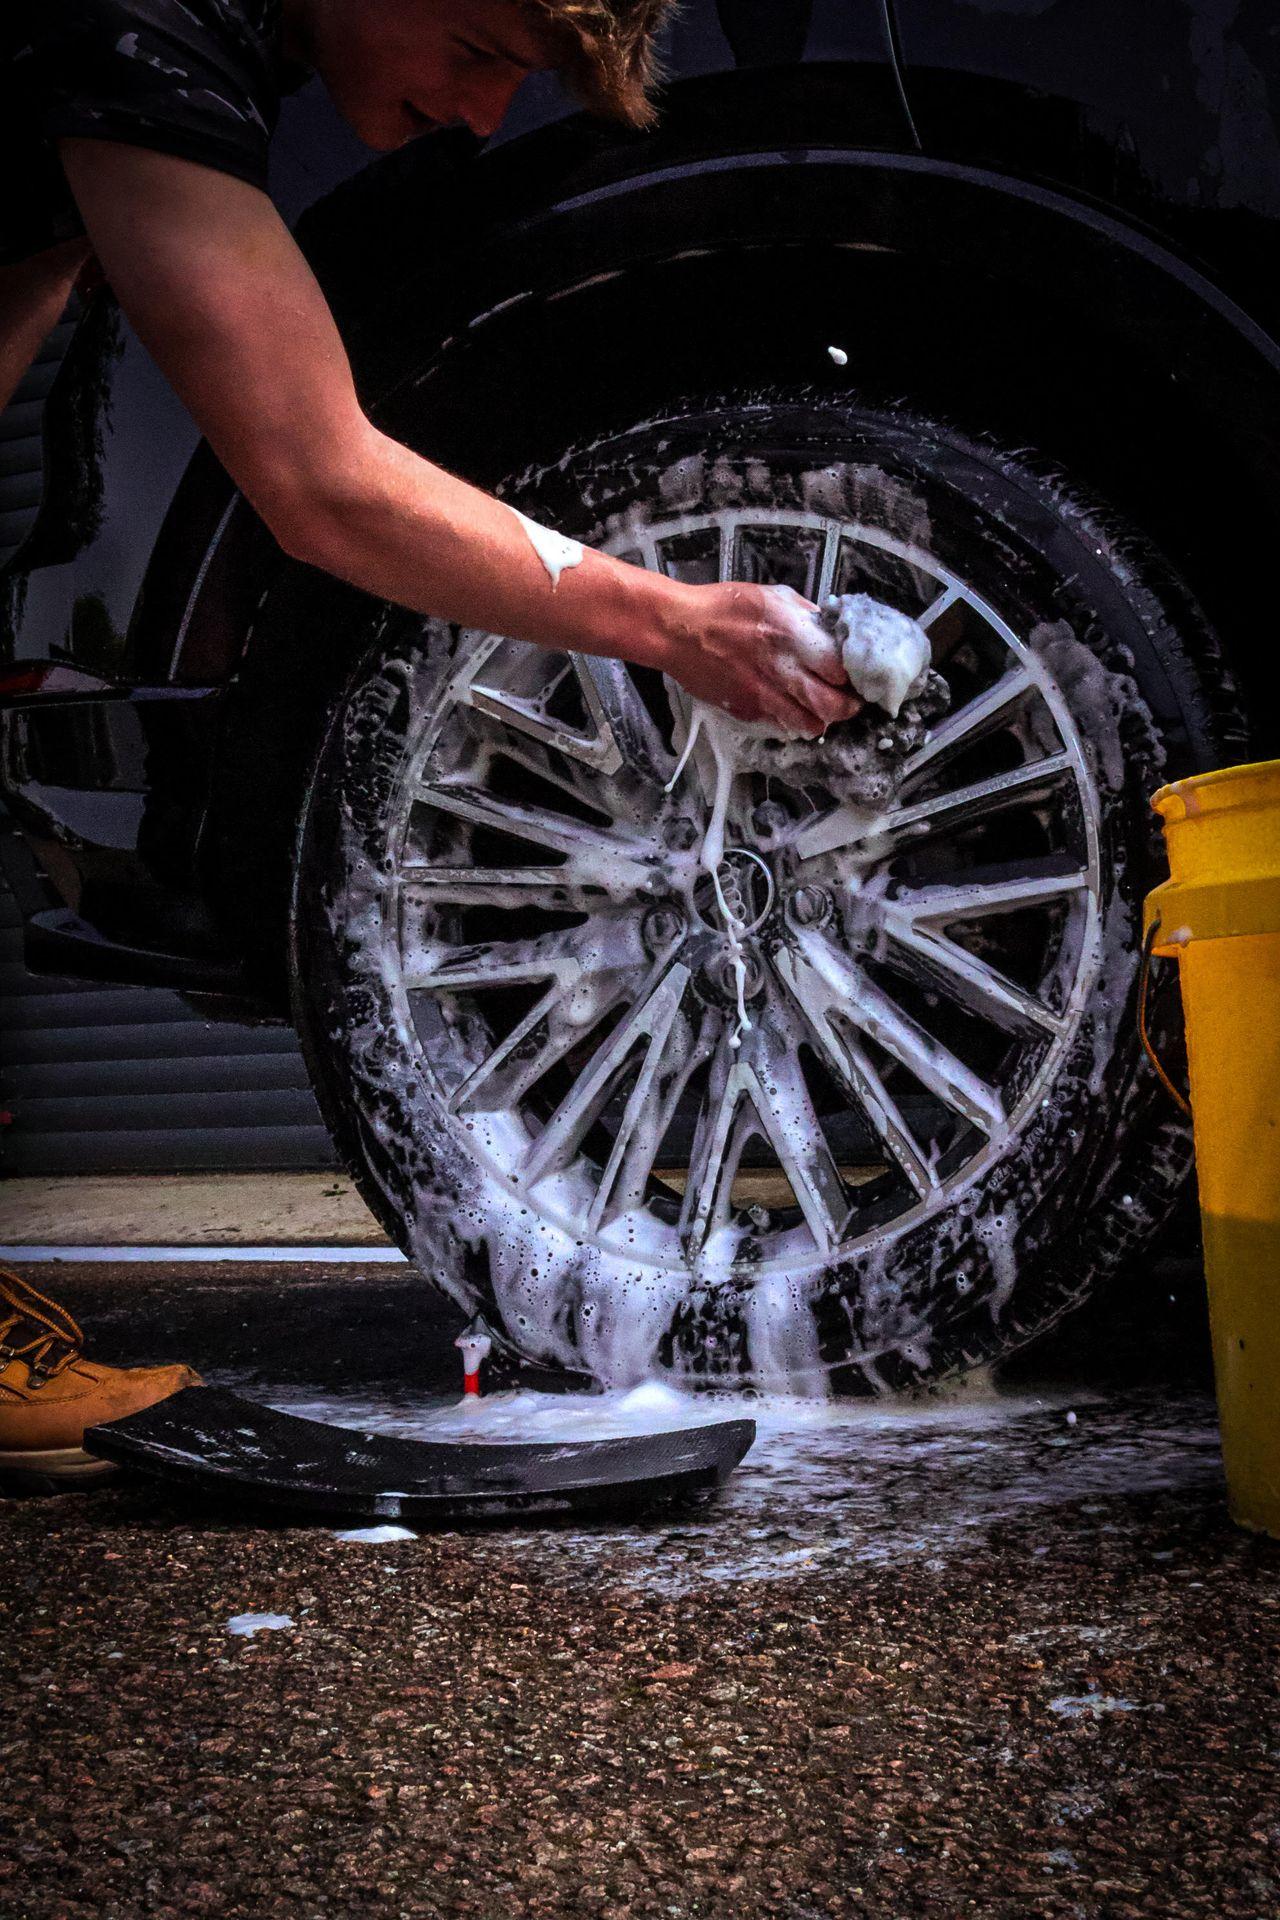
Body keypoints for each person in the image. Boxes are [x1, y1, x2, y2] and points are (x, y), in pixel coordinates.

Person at [0, 0, 862, 1486]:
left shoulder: (174, 53)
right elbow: (320, 480)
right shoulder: (139, 18)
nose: (479, 119)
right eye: (478, 50)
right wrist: (672, 623)